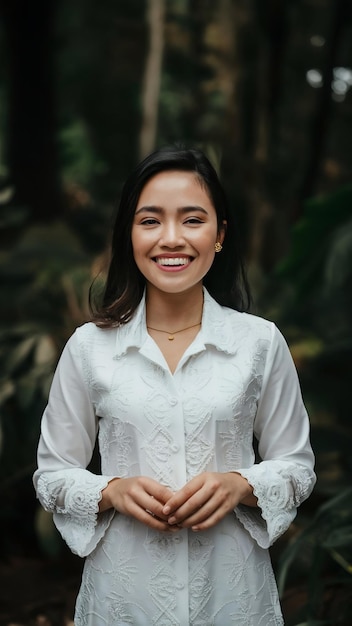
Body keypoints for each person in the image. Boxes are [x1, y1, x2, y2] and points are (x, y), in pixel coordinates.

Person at [33, 145, 316, 626]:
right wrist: (112, 492)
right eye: (150, 220)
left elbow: (298, 468)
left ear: (219, 235)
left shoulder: (260, 343)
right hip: (123, 598)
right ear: (129, 234)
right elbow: (52, 476)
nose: (171, 239)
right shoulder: (89, 348)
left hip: (233, 594)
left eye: (191, 220)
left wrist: (240, 485)